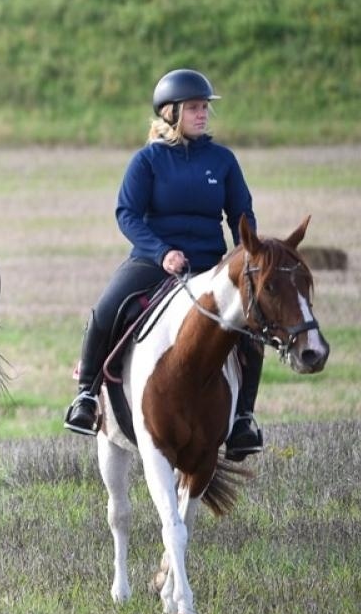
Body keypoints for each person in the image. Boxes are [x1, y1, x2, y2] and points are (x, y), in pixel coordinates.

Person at [63, 68, 264, 459]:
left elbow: (242, 213)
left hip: (210, 266)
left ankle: (243, 419)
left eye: (205, 107)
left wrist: (244, 255)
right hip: (155, 261)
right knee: (105, 311)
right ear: (171, 113)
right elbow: (127, 214)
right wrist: (161, 253)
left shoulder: (222, 160)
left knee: (252, 325)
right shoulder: (148, 161)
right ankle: (86, 396)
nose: (203, 114)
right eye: (194, 108)